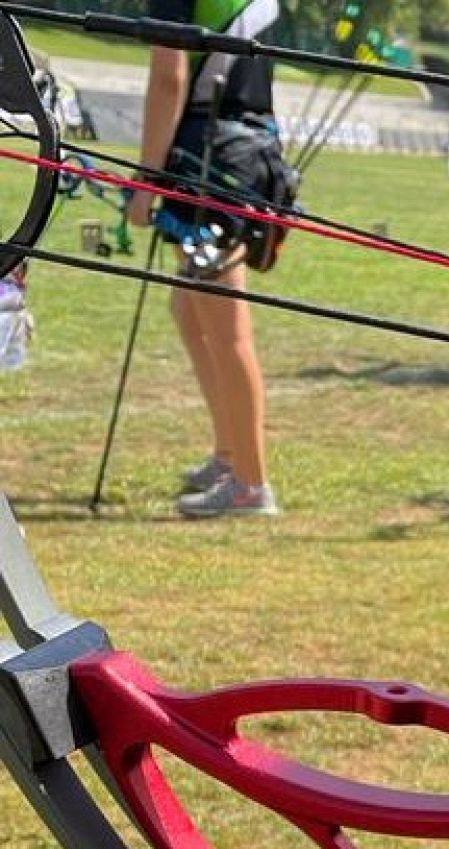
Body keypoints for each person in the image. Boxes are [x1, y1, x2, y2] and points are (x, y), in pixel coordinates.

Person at [128, 0, 286, 518]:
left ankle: (250, 484)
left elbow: (169, 79)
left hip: (211, 161)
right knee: (189, 310)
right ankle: (229, 453)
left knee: (227, 327)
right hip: (244, 153)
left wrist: (145, 183)